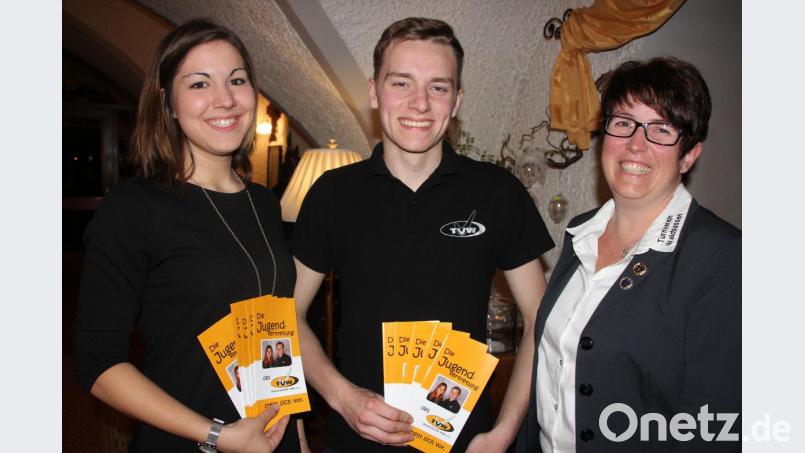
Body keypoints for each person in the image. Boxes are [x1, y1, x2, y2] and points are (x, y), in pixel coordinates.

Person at [292, 17, 554, 453]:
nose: (420, 103)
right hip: (357, 439)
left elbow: (541, 323)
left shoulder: (497, 192)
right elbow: (287, 316)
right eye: (401, 84)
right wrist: (341, 396)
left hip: (468, 442)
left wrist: (503, 433)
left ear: (456, 101)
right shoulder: (332, 194)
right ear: (374, 92)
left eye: (438, 86)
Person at [73, 18, 303, 453]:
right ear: (169, 103)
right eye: (199, 84)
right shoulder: (134, 208)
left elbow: (280, 330)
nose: (225, 99)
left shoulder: (264, 203)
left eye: (237, 80)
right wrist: (220, 435)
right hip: (190, 440)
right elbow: (98, 365)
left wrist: (299, 437)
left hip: (274, 437)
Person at [516, 57, 740, 452]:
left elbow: (715, 428)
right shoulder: (580, 234)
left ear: (689, 155)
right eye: (623, 123)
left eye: (661, 130)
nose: (636, 144)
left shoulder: (722, 259)